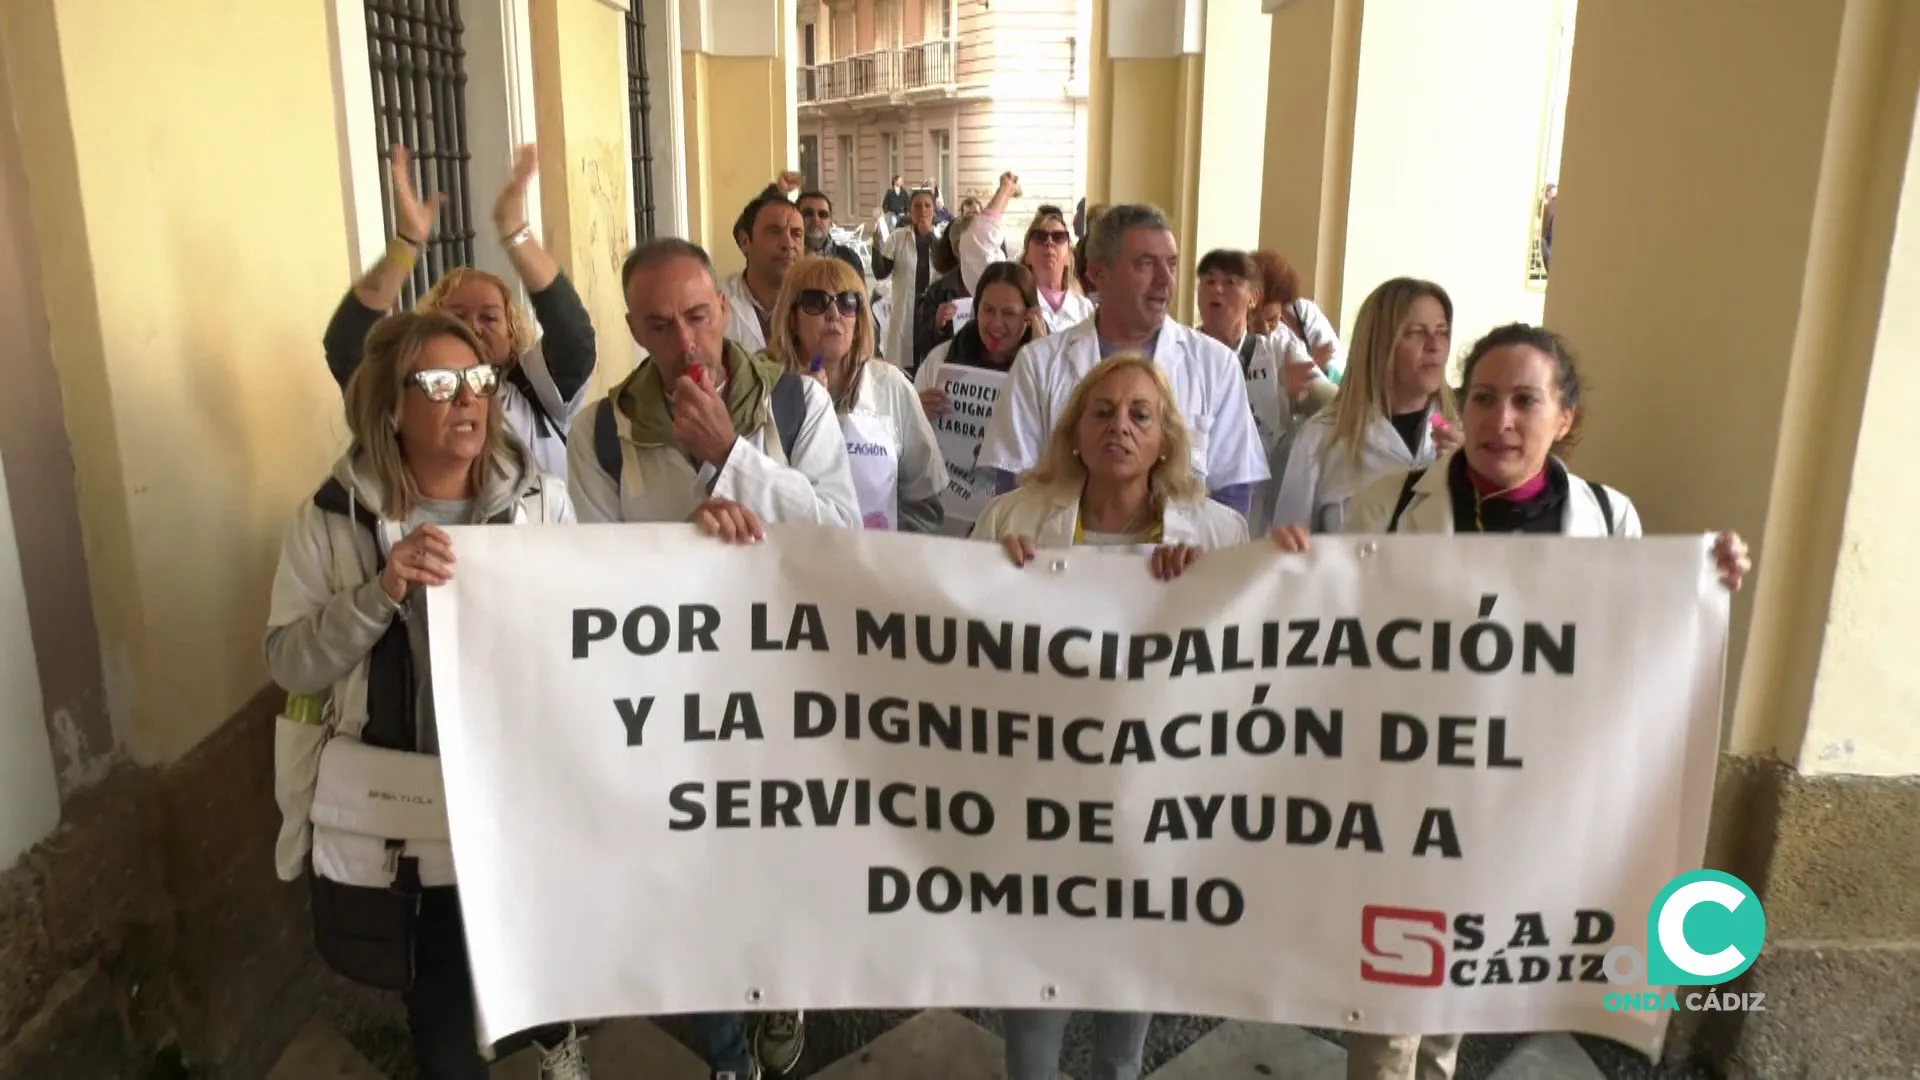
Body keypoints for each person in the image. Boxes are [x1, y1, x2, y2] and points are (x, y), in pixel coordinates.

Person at [1320, 323, 1752, 1080]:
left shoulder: (1609, 521)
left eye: (1526, 400)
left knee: (1462, 988)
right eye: (1483, 398)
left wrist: (1702, 581)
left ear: (1566, 417)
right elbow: (1327, 637)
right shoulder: (1387, 507)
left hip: (1523, 800)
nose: (1500, 420)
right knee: (1392, 1000)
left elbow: (1631, 647)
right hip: (1407, 793)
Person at [267, 313, 587, 1080]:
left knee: (539, 962)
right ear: (390, 409)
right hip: (411, 812)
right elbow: (291, 661)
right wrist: (380, 593)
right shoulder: (332, 520)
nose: (468, 399)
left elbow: (590, 632)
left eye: (478, 380)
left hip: (520, 802)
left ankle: (556, 1041)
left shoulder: (541, 502)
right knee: (441, 1006)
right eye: (441, 385)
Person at [973, 354, 1260, 1080]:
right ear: (1073, 431)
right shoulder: (1011, 520)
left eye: (1140, 415)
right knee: (1034, 994)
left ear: (1165, 438)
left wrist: (1206, 590)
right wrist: (993, 580)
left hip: (1149, 805)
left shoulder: (1218, 534)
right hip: (1040, 796)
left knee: (1128, 996)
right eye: (1102, 412)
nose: (1120, 428)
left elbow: (1258, 651)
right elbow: (957, 646)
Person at [321, 144, 595, 479]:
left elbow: (574, 338)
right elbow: (347, 343)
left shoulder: (535, 391)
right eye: (458, 317)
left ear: (512, 332)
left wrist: (515, 232)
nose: (473, 328)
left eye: (489, 317)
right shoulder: (406, 388)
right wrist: (407, 242)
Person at [977, 204, 1268, 517]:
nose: (1164, 281)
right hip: (1062, 558)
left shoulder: (1216, 366)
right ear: (1098, 272)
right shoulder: (1039, 364)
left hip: (1178, 561)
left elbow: (1234, 492)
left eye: (1171, 265)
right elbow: (1012, 485)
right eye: (1145, 264)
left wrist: (1204, 555)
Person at [763, 256, 946, 532]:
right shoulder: (765, 386)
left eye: (847, 302)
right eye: (816, 301)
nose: (834, 314)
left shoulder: (890, 386)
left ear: (859, 320)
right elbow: (751, 485)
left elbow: (924, 504)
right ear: (791, 318)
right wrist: (801, 409)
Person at [1271, 277, 1460, 533]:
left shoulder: (1461, 434)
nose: (1435, 346)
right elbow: (1289, 548)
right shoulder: (1322, 438)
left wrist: (1468, 469)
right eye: (1417, 332)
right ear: (1379, 344)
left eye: (1442, 332)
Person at [1195, 249, 1332, 532]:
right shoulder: (1181, 353)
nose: (1217, 290)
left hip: (1263, 510)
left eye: (1231, 282)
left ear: (1253, 297)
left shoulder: (1278, 351)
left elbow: (1329, 401)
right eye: (1209, 280)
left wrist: (1301, 395)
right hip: (1199, 509)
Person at [917, 263, 1048, 536]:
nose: (996, 324)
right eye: (988, 310)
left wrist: (1041, 354)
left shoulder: (1046, 367)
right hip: (946, 520)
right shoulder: (940, 360)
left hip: (1013, 527)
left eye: (1009, 313)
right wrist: (917, 413)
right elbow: (908, 444)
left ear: (1030, 317)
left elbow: (1058, 437)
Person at [723, 191, 806, 352]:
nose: (788, 244)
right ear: (745, 241)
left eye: (796, 234)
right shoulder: (715, 302)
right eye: (774, 231)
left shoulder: (821, 304)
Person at [1247, 250, 1345, 382]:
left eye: (1272, 320)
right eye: (1255, 321)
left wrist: (1322, 369)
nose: (1264, 329)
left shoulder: (1304, 314)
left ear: (1282, 304)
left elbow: (1341, 380)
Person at [871, 189, 939, 367]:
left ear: (935, 211)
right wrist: (876, 247)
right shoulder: (898, 238)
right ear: (910, 211)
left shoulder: (940, 240)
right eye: (917, 206)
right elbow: (880, 273)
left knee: (929, 365)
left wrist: (929, 235)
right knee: (903, 365)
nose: (922, 210)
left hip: (931, 314)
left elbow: (947, 264)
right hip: (905, 312)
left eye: (927, 205)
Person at [1019, 203, 1095, 332]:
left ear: (1068, 259)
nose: (1049, 242)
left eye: (1059, 237)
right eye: (1040, 237)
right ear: (1027, 257)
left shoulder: (1084, 308)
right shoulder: (1018, 302)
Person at [795, 190, 868, 282]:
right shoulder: (787, 257)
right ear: (795, 218)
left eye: (823, 214)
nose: (816, 219)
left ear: (831, 222)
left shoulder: (849, 258)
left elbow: (861, 294)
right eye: (808, 213)